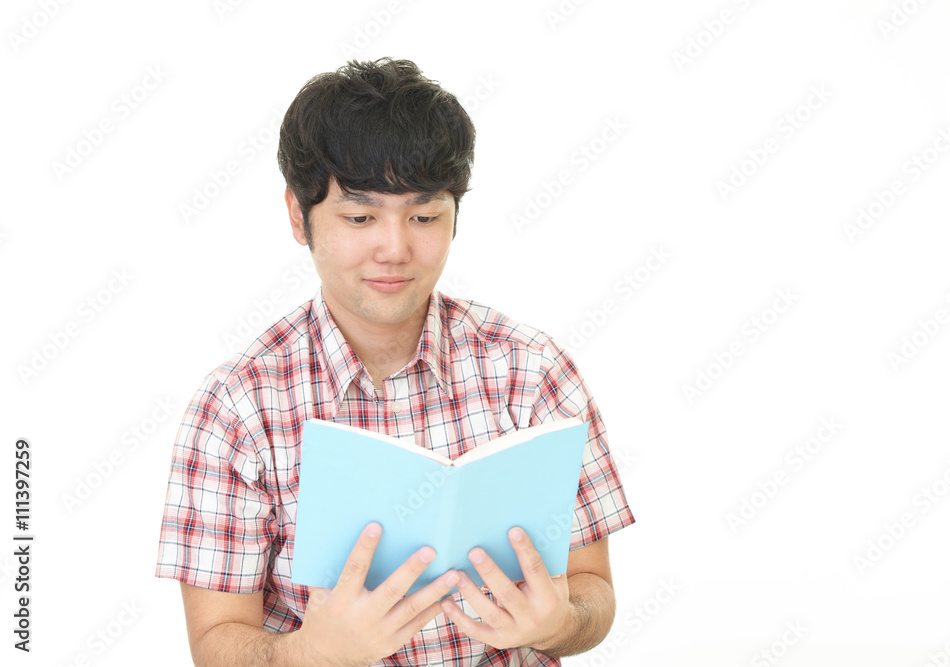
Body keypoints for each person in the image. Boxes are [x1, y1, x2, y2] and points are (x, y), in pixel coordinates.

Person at [155, 57, 635, 667]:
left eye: (424, 216)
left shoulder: (532, 370)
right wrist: (312, 654)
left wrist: (561, 622)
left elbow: (594, 591)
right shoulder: (237, 406)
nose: (395, 247)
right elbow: (217, 640)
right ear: (298, 215)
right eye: (359, 217)